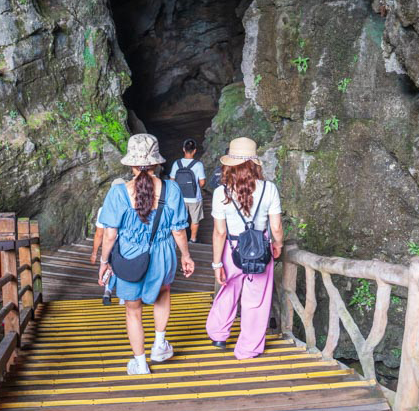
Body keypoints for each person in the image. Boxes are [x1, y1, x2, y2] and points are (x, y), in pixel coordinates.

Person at [97, 133, 195, 375]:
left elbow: (109, 235)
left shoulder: (119, 193)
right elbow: (179, 230)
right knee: (163, 293)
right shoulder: (171, 189)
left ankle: (140, 364)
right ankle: (159, 345)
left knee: (133, 309)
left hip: (130, 255)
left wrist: (104, 261)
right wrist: (186, 256)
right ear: (156, 162)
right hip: (162, 253)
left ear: (131, 164)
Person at [205, 137, 283, 359]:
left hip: (232, 249)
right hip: (260, 250)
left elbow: (219, 232)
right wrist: (277, 244)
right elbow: (275, 226)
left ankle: (218, 333)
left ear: (230, 164)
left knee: (228, 289)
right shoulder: (269, 189)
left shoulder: (222, 192)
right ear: (255, 163)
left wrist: (217, 263)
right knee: (256, 300)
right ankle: (247, 349)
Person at [169, 138, 206, 243]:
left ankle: (181, 239)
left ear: (183, 149)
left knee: (180, 218)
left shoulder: (177, 164)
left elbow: (172, 181)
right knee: (195, 220)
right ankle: (193, 239)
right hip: (195, 198)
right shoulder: (198, 165)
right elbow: (202, 183)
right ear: (194, 151)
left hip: (180, 197)